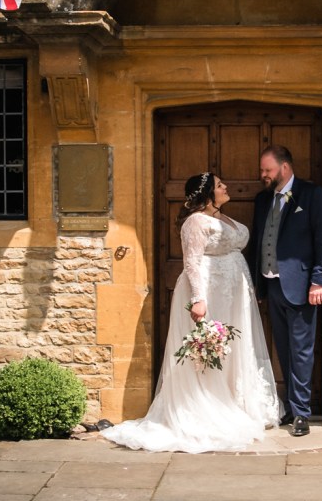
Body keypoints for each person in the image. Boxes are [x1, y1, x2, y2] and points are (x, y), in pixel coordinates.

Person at [102, 172, 281, 453]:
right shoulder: (195, 222)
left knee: (233, 345)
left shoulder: (224, 218)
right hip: (209, 290)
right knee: (211, 347)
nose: (225, 187)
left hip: (232, 292)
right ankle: (206, 403)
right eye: (220, 185)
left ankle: (235, 401)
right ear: (208, 193)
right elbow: (193, 262)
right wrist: (198, 299)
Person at [250, 145, 322, 438]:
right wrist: (255, 284)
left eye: (267, 170)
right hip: (272, 285)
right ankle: (289, 406)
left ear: (284, 168)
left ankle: (301, 413)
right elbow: (258, 243)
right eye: (263, 170)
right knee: (283, 349)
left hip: (302, 287)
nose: (263, 175)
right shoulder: (262, 201)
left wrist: (319, 280)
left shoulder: (311, 195)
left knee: (302, 351)